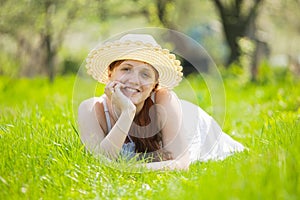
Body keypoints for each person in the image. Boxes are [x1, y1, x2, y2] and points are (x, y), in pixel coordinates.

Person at [78, 33, 245, 170]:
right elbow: (99, 163)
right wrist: (127, 112)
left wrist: (128, 169)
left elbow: (181, 164)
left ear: (154, 86)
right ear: (110, 74)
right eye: (126, 69)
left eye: (145, 74)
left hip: (191, 126)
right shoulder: (91, 109)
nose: (134, 81)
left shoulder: (164, 100)